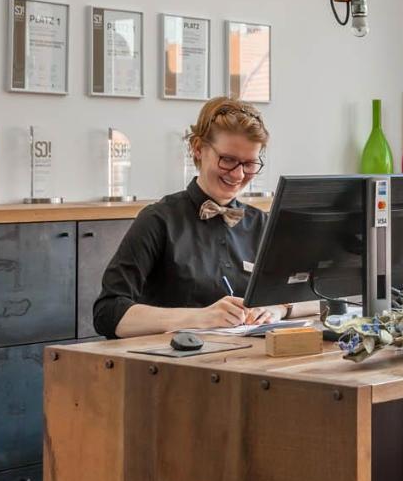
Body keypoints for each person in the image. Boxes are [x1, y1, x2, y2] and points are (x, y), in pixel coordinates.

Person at [93, 97, 291, 338]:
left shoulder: (262, 224)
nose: (238, 174)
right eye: (227, 159)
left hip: (247, 362)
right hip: (175, 366)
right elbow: (107, 313)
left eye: (249, 164)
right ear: (197, 148)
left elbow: (315, 295)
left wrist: (278, 309)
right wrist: (200, 317)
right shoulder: (158, 220)